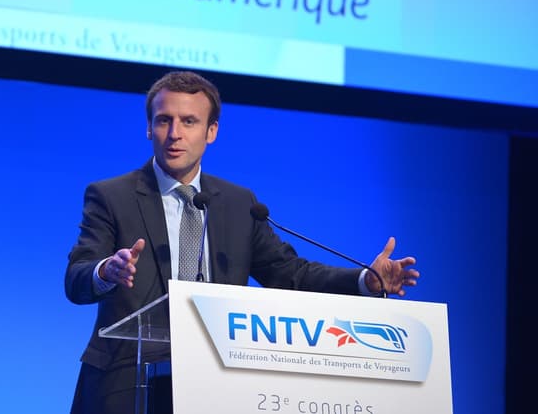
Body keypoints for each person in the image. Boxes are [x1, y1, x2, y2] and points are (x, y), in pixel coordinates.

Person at [64, 70, 418, 414]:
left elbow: (290, 274)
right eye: (163, 120)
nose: (174, 133)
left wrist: (364, 280)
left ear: (211, 131)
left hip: (214, 384)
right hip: (127, 383)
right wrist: (105, 272)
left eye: (189, 122)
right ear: (148, 127)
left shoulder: (238, 203)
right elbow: (76, 279)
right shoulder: (112, 196)